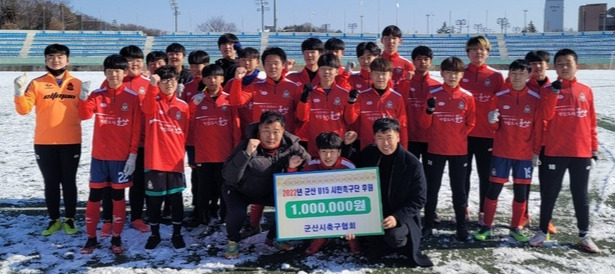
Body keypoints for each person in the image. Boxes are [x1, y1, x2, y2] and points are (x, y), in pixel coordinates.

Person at [529, 49, 601, 254]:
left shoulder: (585, 90)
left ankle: (584, 235)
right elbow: (545, 116)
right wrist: (553, 93)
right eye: (559, 63)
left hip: (580, 152)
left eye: (568, 63)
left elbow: (591, 121)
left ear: (576, 65)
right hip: (554, 151)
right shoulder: (548, 90)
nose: (564, 67)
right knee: (549, 193)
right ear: (555, 67)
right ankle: (543, 231)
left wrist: (593, 148)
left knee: (581, 195)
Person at [13, 43, 83, 236]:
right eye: (51, 56)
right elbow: (24, 109)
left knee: (69, 181)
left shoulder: (77, 84)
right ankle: (54, 220)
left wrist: (86, 99)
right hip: (44, 142)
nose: (56, 60)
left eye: (60, 56)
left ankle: (70, 219)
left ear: (67, 60)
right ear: (46, 60)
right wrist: (19, 93)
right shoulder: (37, 84)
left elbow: (85, 113)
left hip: (71, 141)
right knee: (51, 182)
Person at [221, 111, 310, 259]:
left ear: (283, 131)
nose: (271, 136)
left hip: (268, 191)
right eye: (266, 131)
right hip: (239, 190)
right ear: (259, 130)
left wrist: (295, 167)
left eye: (276, 132)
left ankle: (274, 237)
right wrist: (247, 154)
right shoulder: (247, 144)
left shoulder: (291, 146)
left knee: (289, 204)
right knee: (237, 214)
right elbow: (229, 176)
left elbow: (309, 167)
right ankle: (233, 241)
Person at [346, 118, 432, 267]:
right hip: (374, 211)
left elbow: (419, 198)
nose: (385, 143)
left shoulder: (412, 163)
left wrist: (397, 217)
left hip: (400, 214)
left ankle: (401, 243)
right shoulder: (370, 153)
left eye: (389, 138)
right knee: (370, 245)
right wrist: (347, 145)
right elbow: (351, 164)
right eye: (380, 138)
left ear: (398, 137)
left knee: (394, 238)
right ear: (375, 139)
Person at [79, 54, 141, 254]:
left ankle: (116, 238)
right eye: (109, 71)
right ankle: (91, 239)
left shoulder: (132, 98)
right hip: (99, 157)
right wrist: (83, 98)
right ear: (104, 73)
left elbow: (135, 130)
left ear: (124, 73)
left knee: (118, 196)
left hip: (121, 159)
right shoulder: (97, 95)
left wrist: (132, 155)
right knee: (94, 196)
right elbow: (84, 115)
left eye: (117, 71)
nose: (114, 75)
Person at [473, 60, 540, 243]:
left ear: (528, 75)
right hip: (501, 152)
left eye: (521, 73)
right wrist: (492, 120)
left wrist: (536, 152)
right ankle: (486, 226)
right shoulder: (500, 96)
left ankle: (516, 227)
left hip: (524, 155)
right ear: (509, 75)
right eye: (513, 73)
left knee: (521, 192)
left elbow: (538, 127)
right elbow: (495, 126)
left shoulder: (535, 98)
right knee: (493, 189)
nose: (517, 77)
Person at [420, 57, 476, 241]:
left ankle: (461, 226)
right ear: (442, 73)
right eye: (449, 72)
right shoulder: (433, 93)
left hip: (459, 151)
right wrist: (428, 112)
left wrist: (457, 136)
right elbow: (424, 124)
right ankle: (428, 225)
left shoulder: (467, 97)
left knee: (459, 190)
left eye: (456, 72)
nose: (452, 76)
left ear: (462, 75)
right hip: (436, 149)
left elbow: (471, 123)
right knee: (432, 189)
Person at [98, 45, 151, 237]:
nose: (134, 63)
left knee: (138, 183)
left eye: (138, 60)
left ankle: (136, 217)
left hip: (142, 143)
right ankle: (108, 219)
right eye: (130, 60)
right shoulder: (109, 82)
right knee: (110, 184)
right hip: (116, 145)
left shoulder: (148, 83)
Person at [142, 66, 190, 251]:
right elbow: (147, 108)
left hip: (175, 161)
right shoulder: (152, 101)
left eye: (172, 80)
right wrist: (152, 86)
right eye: (165, 80)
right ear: (158, 82)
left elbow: (184, 133)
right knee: (154, 201)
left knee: (176, 199)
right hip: (155, 160)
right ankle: (155, 235)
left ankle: (177, 234)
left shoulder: (183, 106)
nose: (169, 84)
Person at [189, 64, 241, 235]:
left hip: (224, 155)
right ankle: (202, 218)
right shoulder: (196, 101)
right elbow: (189, 129)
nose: (212, 80)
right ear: (203, 80)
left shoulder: (229, 100)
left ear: (222, 79)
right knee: (203, 189)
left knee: (224, 188)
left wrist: (235, 152)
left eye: (216, 77)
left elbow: (236, 127)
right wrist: (192, 153)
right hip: (204, 156)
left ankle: (225, 217)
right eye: (208, 77)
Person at [459, 36, 504, 225]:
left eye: (483, 49)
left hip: (487, 136)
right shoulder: (460, 73)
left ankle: (484, 212)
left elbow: (503, 103)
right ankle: (462, 209)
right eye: (474, 49)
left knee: (486, 176)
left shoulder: (496, 76)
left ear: (488, 52)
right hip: (463, 135)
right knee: (463, 176)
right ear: (467, 52)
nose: (478, 53)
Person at [297, 132, 359, 255]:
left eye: (332, 151)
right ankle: (321, 237)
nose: (328, 156)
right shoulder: (311, 166)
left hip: (343, 207)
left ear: (339, 152)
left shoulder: (349, 167)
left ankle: (354, 239)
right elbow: (300, 192)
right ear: (318, 152)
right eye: (324, 151)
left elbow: (356, 196)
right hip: (320, 207)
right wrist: (292, 169)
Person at [522, 50, 557, 234]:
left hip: (548, 144)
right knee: (523, 181)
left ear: (547, 66)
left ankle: (547, 218)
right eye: (532, 64)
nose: (536, 68)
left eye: (540, 64)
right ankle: (523, 215)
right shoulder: (523, 87)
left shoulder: (555, 88)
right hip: (526, 142)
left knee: (547, 183)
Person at [229, 47, 302, 134]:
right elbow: (235, 102)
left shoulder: (294, 88)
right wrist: (237, 80)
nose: (272, 67)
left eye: (276, 63)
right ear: (263, 66)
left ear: (283, 65)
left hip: (285, 140)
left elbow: (302, 117)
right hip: (260, 139)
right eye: (268, 63)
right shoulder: (255, 87)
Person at [344, 57, 408, 150]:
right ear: (371, 75)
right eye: (376, 74)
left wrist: (404, 149)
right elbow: (350, 120)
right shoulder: (362, 96)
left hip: (390, 148)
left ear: (390, 75)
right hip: (368, 147)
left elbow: (402, 124)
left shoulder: (396, 97)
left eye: (383, 74)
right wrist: (351, 103)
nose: (380, 77)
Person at [296, 53, 350, 156]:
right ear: (318, 71)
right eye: (323, 69)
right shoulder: (309, 92)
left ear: (337, 71)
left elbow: (349, 120)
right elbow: (302, 117)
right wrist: (304, 99)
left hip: (337, 145)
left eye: (330, 69)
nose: (326, 72)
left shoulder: (345, 93)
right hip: (315, 146)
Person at [181, 50, 210, 227]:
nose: (195, 69)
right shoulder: (188, 88)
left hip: (210, 139)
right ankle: (198, 208)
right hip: (192, 140)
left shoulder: (214, 84)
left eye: (198, 65)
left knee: (210, 176)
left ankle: (211, 207)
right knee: (196, 176)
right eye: (192, 65)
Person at [397, 46, 441, 163]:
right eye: (419, 59)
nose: (423, 62)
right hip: (410, 137)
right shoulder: (404, 83)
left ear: (431, 62)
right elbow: (400, 106)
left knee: (429, 177)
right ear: (413, 62)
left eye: (426, 59)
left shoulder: (437, 86)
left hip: (430, 139)